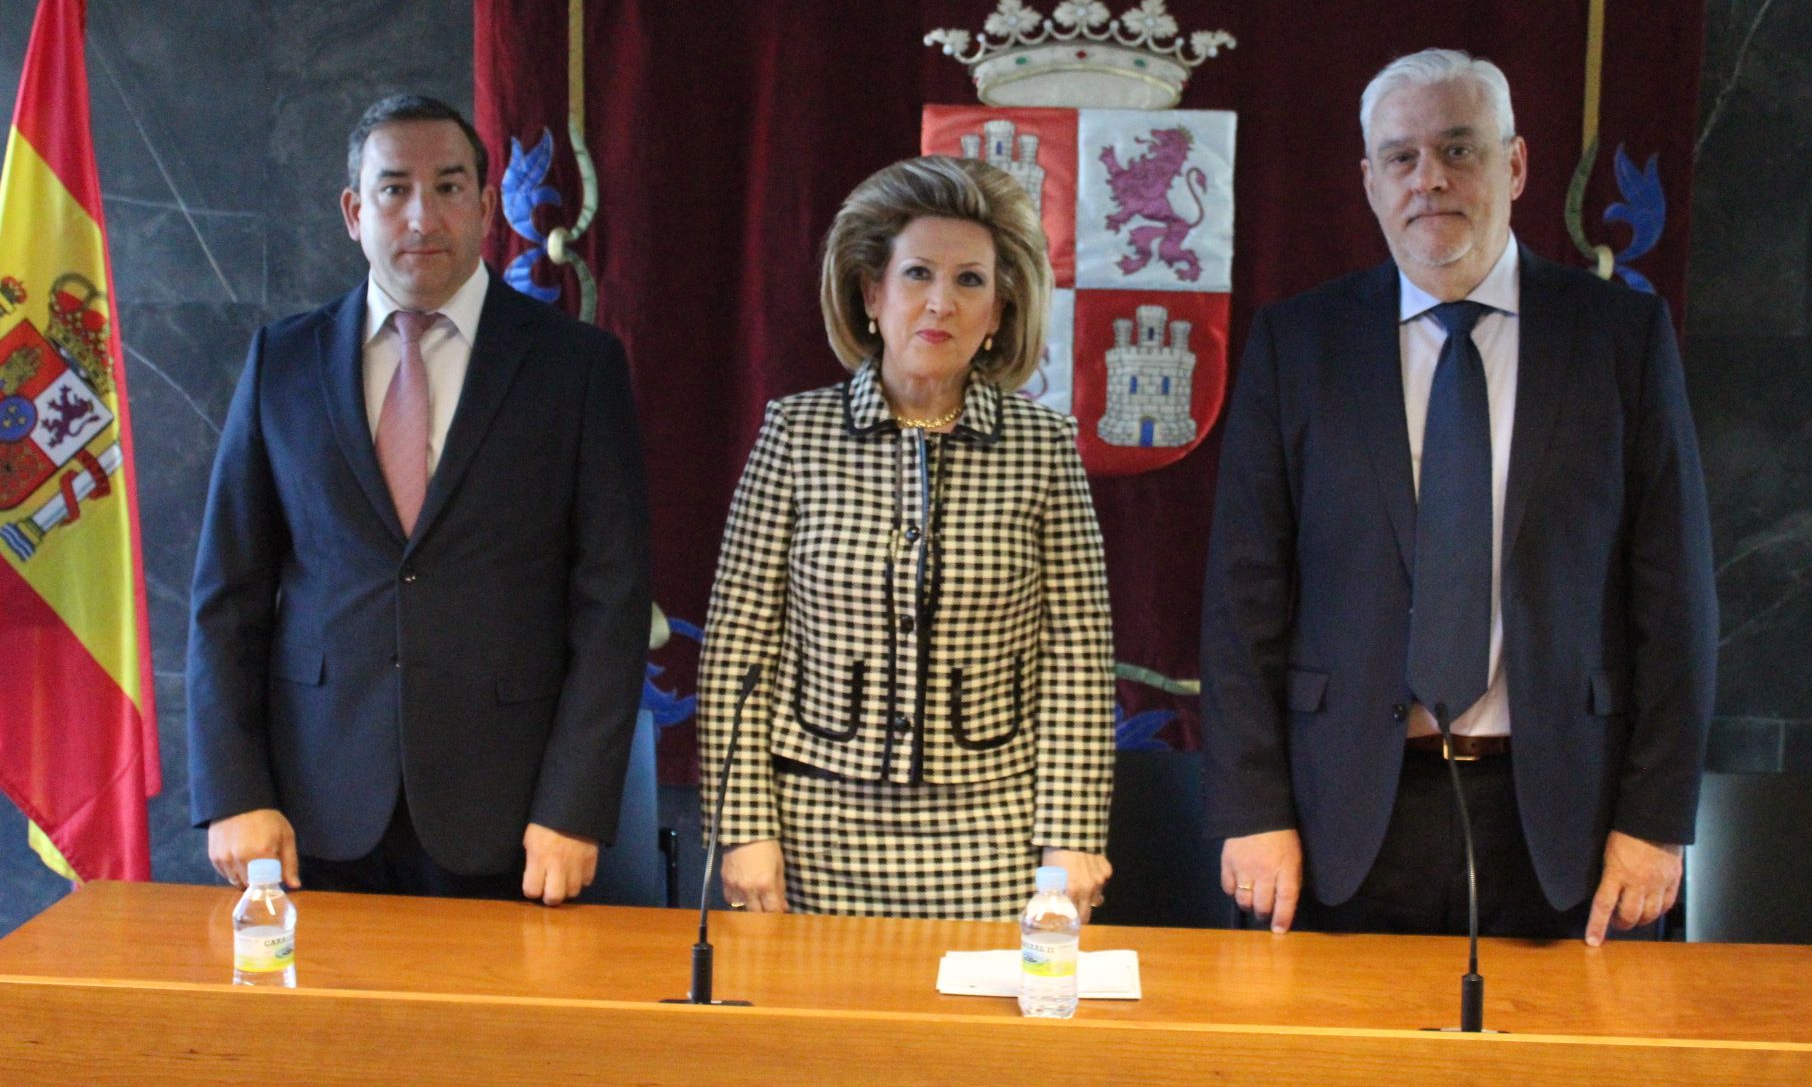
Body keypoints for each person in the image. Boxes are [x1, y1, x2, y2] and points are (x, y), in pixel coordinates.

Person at [1201, 50, 1717, 943]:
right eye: (1400, 157)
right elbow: (1242, 603)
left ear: (1515, 165)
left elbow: (1676, 601)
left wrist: (1656, 822)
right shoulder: (1300, 344)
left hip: (1570, 828)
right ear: (1369, 182)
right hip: (1339, 827)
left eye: (1459, 149)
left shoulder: (1620, 339)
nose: (1428, 179)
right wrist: (1253, 810)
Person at [187, 94, 651, 905]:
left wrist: (575, 807)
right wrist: (233, 791)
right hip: (309, 813)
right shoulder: (282, 364)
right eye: (394, 188)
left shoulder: (575, 368)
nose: (421, 216)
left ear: (482, 204)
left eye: (448, 186)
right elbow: (228, 596)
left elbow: (611, 603)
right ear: (352, 210)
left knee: (493, 1036)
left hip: (513, 817)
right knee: (322, 1034)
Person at [698, 154, 1115, 920]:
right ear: (871, 293)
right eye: (918, 274)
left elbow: (1078, 659)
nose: (941, 304)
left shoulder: (1045, 447)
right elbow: (737, 649)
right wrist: (744, 829)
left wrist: (1072, 836)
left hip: (995, 836)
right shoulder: (797, 435)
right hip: (811, 835)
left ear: (998, 312)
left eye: (970, 282)